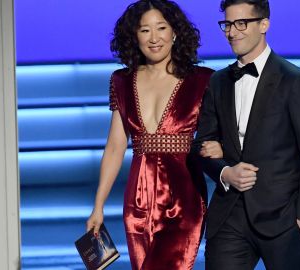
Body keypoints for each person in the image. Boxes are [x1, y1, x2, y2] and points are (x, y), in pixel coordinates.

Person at [193, 0, 300, 269]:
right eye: (227, 24)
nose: (233, 32)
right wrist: (225, 172)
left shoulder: (294, 80)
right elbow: (201, 143)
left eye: (241, 23)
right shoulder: (218, 81)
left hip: (282, 217)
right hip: (229, 215)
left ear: (264, 24)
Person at [86, 1, 215, 269]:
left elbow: (222, 134)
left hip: (184, 197)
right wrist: (98, 205)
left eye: (161, 28)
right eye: (145, 30)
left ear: (175, 32)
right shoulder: (121, 81)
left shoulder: (203, 79)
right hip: (136, 201)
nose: (154, 38)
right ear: (134, 36)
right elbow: (115, 147)